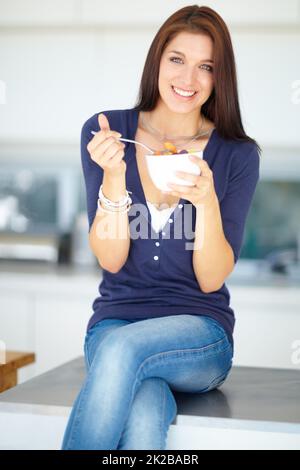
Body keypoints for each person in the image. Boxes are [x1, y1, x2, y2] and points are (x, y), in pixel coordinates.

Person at [61, 5, 260, 450]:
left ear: (219, 77)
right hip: (114, 325)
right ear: (157, 61)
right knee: (145, 405)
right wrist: (115, 177)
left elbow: (211, 278)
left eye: (205, 66)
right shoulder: (107, 131)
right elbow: (111, 258)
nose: (188, 78)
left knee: (123, 353)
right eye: (177, 59)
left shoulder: (236, 155)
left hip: (199, 336)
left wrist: (206, 200)